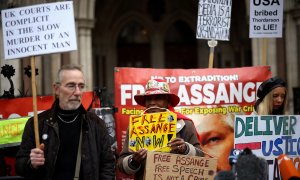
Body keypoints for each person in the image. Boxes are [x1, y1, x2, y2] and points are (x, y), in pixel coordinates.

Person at [15, 64, 115, 180]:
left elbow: (108, 166)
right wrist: (30, 163)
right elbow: (19, 166)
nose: (77, 92)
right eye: (71, 86)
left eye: (81, 86)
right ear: (57, 89)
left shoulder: (96, 124)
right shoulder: (37, 124)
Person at [117, 79, 204, 180]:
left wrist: (185, 149)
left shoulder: (185, 124)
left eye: (158, 98)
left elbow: (201, 158)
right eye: (149, 99)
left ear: (168, 102)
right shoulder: (136, 127)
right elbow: (121, 165)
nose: (152, 102)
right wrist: (134, 161)